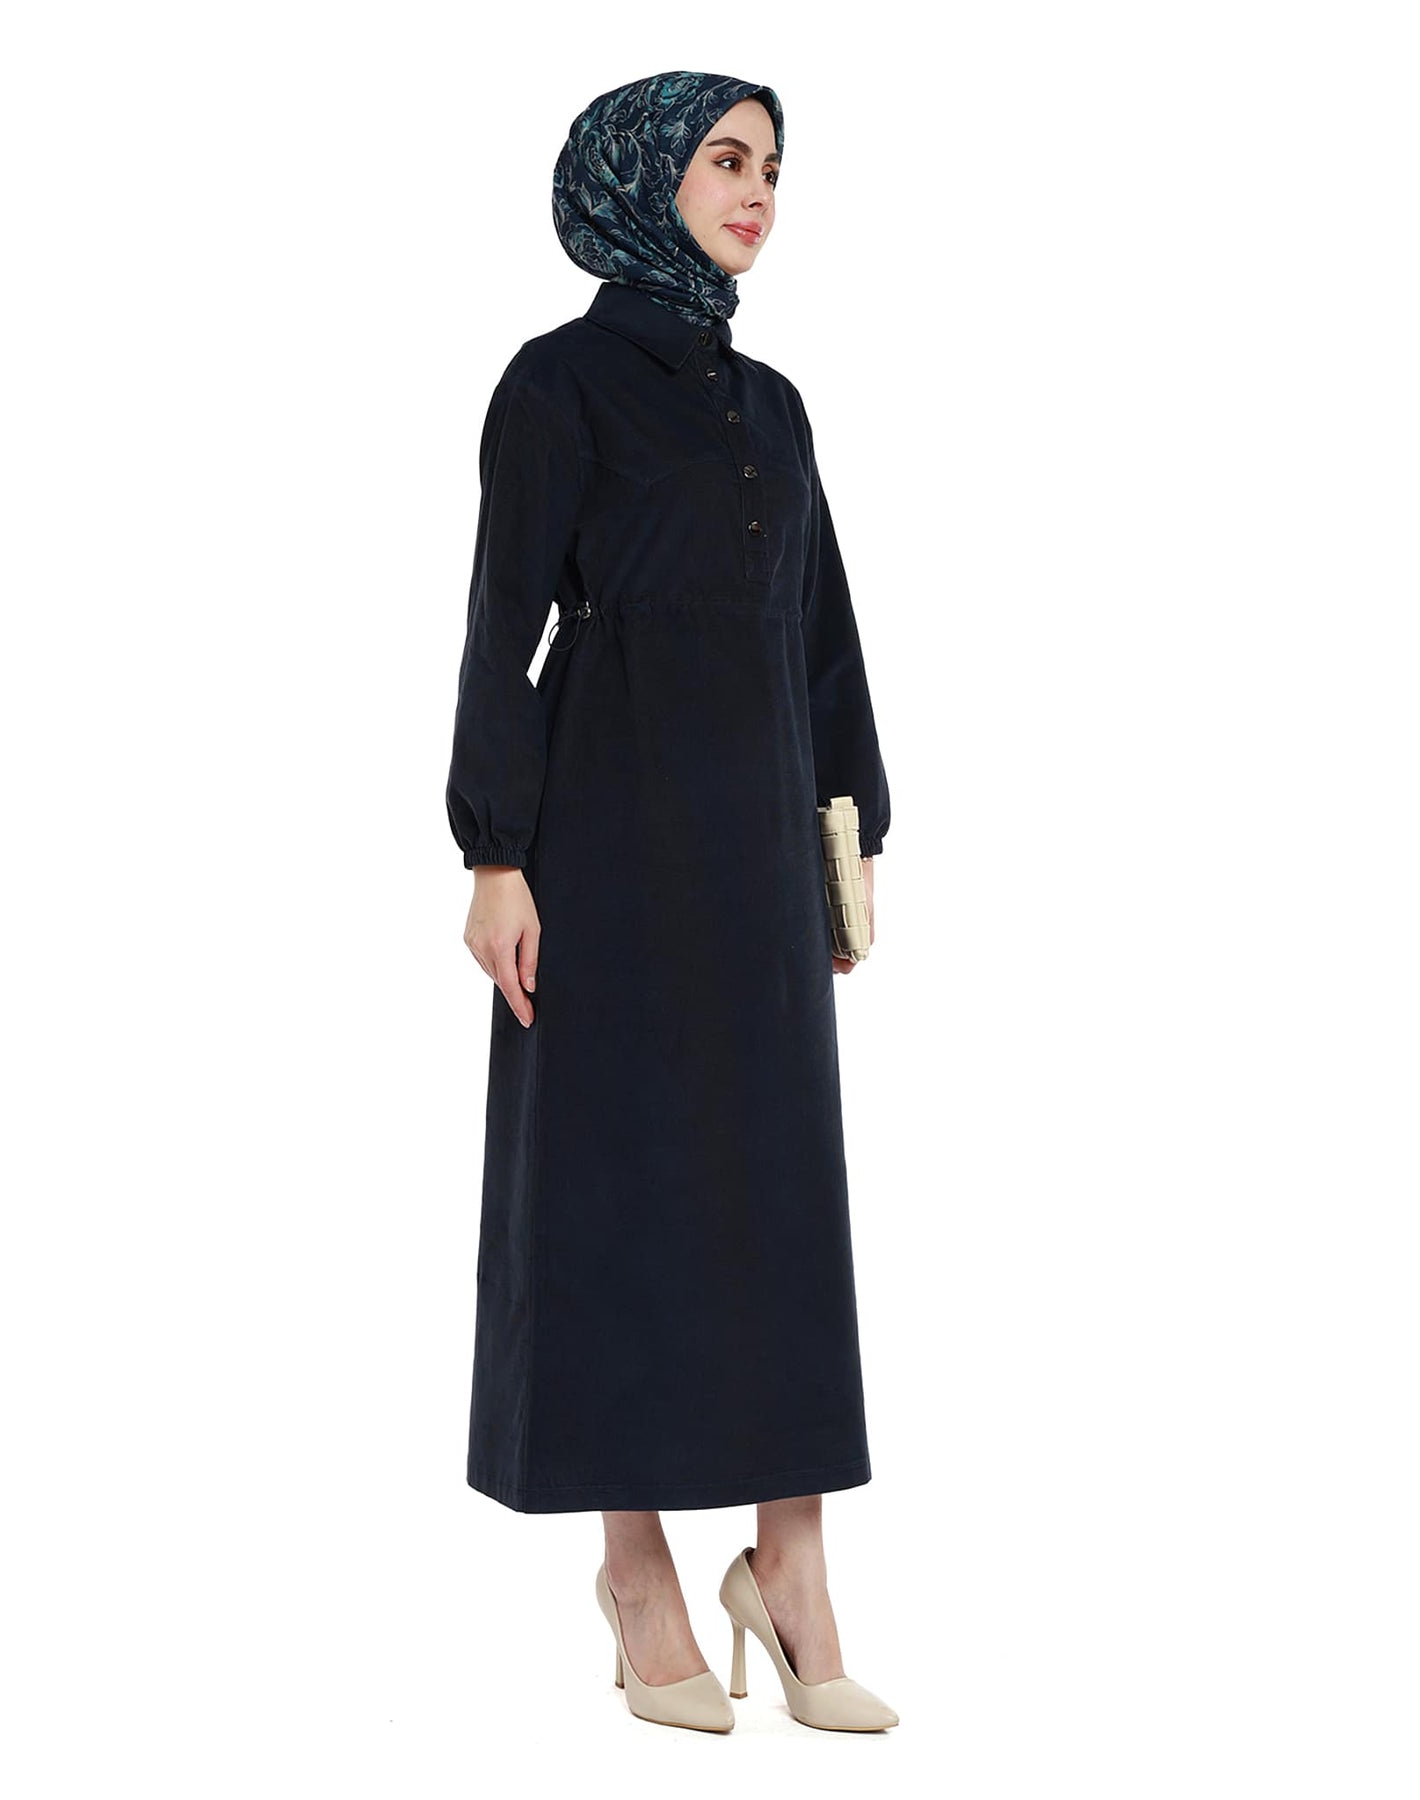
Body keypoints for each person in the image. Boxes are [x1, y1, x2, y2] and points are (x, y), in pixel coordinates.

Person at [444, 71, 898, 1734]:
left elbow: (820, 634)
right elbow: (502, 625)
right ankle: (636, 1572)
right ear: (643, 180)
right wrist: (497, 856)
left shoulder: (773, 407)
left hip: (763, 847)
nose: (758, 188)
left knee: (780, 1198)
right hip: (608, 838)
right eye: (725, 159)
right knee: (617, 1191)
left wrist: (852, 838)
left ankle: (793, 1567)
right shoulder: (556, 384)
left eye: (771, 164)